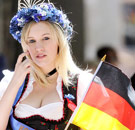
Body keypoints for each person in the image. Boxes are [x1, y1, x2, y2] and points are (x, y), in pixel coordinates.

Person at [0, 1, 93, 130]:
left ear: (59, 41)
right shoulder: (11, 82)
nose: (38, 47)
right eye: (31, 41)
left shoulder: (83, 84)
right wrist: (15, 82)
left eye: (46, 38)